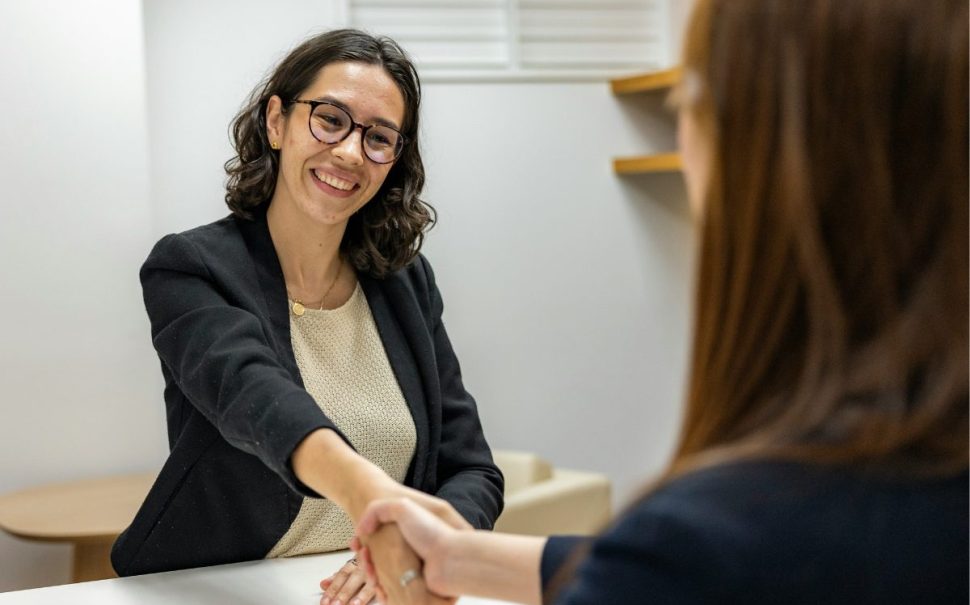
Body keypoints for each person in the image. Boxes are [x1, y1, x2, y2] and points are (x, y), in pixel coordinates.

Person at [354, 0, 969, 603]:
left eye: (690, 104)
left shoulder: (715, 535)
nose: (351, 152)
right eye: (329, 120)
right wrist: (461, 558)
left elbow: (688, 563)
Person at [110, 29, 504, 605]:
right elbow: (255, 397)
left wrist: (421, 545)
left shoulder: (404, 283)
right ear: (277, 122)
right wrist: (369, 496)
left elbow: (473, 472)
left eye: (378, 138)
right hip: (215, 589)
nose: (349, 152)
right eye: (330, 119)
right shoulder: (191, 267)